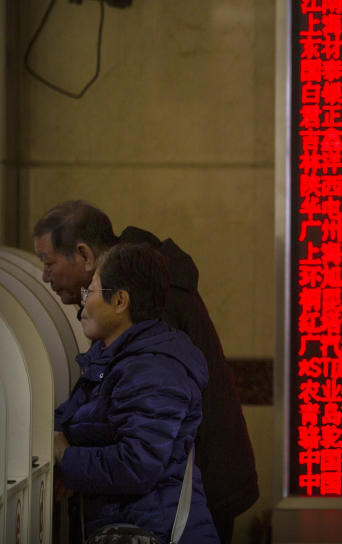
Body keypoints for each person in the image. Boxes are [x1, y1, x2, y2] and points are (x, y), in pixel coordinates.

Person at [35, 200, 258, 542]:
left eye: (49, 263)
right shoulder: (126, 325)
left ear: (84, 255)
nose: (45, 276)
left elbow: (138, 457)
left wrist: (68, 458)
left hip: (176, 510)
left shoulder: (149, 332)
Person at [54, 242, 220, 543]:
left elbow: (136, 464)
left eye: (90, 291)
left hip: (154, 531)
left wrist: (66, 458)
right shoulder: (112, 357)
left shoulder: (154, 368)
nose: (82, 304)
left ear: (119, 301)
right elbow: (70, 418)